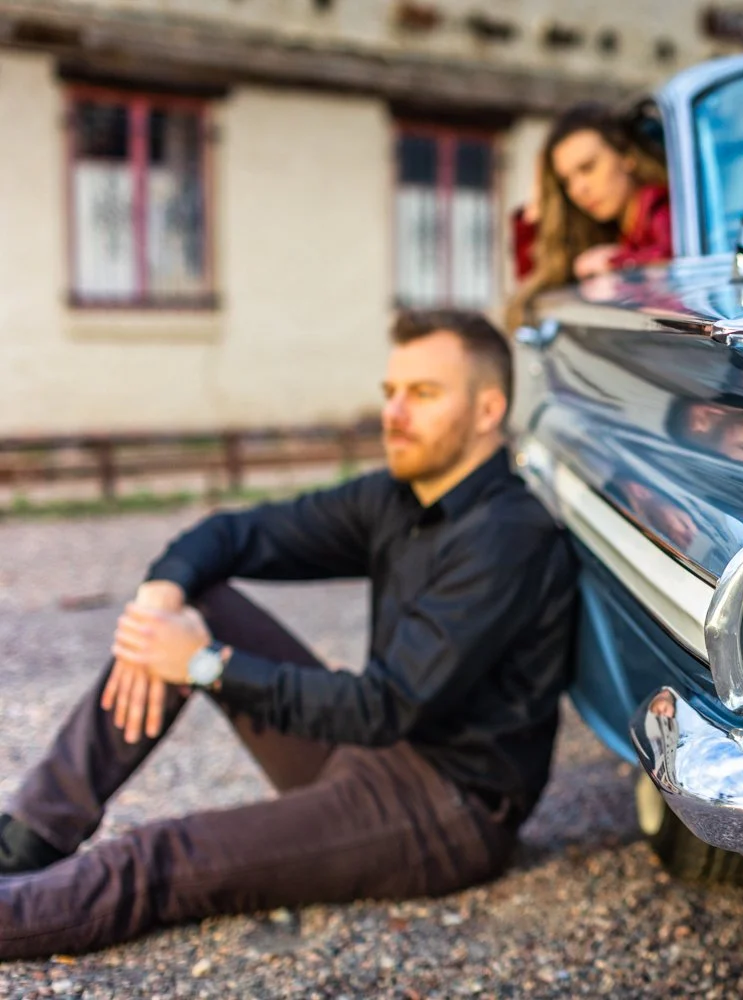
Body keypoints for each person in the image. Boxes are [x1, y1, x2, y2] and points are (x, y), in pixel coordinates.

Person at [0, 310, 577, 960]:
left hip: (447, 806)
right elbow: (235, 535)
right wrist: (162, 593)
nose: (394, 413)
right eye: (391, 392)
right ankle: (26, 842)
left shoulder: (507, 536)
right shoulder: (395, 499)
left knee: (156, 857)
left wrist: (204, 665)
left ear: (487, 410)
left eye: (423, 394)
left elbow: (387, 706)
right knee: (200, 601)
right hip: (367, 748)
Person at [505, 102, 672, 331]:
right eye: (566, 182)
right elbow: (537, 282)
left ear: (627, 156)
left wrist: (615, 262)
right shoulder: (609, 229)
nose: (578, 189)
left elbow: (675, 257)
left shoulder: (660, 208)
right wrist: (539, 201)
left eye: (588, 167)